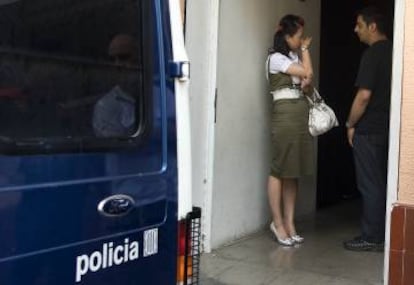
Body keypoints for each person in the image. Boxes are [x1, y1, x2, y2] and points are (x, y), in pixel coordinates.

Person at [343, 7, 392, 252]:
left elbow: (363, 96)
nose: (355, 29)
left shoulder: (372, 55)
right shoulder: (395, 51)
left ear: (372, 27)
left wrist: (350, 124)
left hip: (369, 129)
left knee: (370, 184)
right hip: (386, 129)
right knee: (382, 182)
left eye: (359, 25)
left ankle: (372, 237)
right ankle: (383, 233)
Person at [266, 15, 314, 246]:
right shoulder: (275, 59)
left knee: (292, 171)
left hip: (298, 113)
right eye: (298, 36)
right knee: (279, 168)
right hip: (284, 115)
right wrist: (305, 50)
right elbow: (307, 73)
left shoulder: (293, 57)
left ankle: (290, 222)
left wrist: (303, 58)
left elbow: (308, 82)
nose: (301, 40)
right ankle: (278, 223)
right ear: (287, 36)